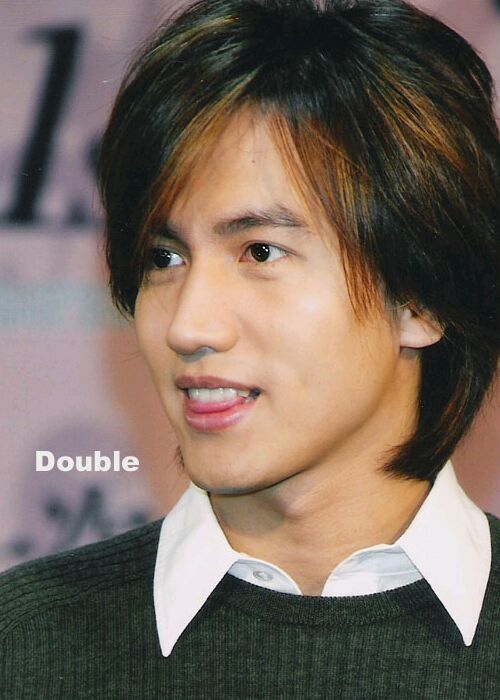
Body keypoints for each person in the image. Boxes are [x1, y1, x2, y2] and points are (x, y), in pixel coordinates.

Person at [1, 0, 499, 697]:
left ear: (421, 297)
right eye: (164, 258)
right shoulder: (24, 646)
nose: (187, 326)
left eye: (260, 251)